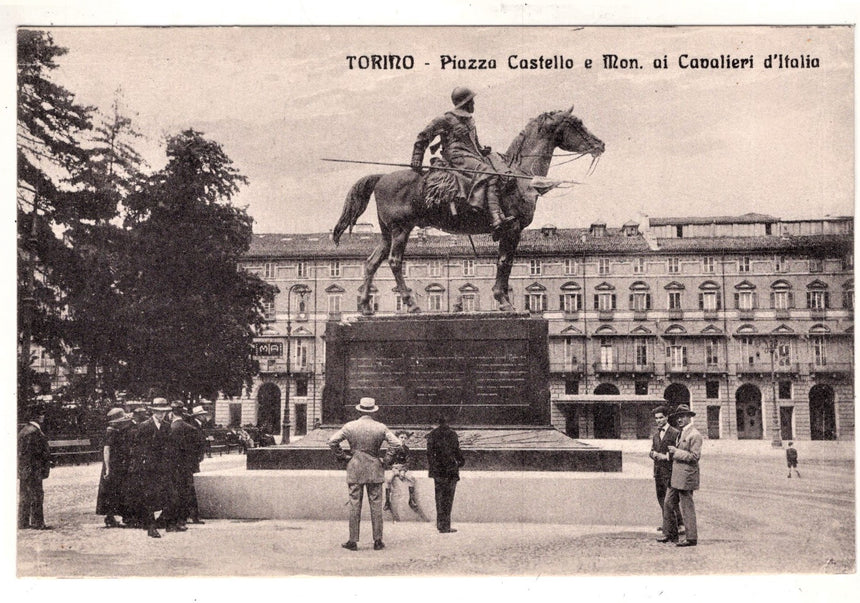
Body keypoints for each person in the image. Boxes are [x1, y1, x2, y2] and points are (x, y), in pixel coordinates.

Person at [411, 86, 516, 239]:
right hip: (456, 156)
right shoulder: (445, 119)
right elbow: (423, 137)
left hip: (471, 155)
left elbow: (474, 143)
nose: (474, 104)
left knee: (498, 168)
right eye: (471, 101)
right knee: (491, 175)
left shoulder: (470, 120)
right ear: (465, 102)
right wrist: (416, 159)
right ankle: (496, 219)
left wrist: (482, 150)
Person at [327, 397, 401, 551]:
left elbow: (332, 441)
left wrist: (344, 457)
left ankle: (353, 541)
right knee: (376, 505)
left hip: (355, 467)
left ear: (359, 410)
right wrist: (386, 459)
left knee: (354, 504)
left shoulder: (350, 426)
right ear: (373, 410)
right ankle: (378, 541)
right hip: (375, 467)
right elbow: (397, 444)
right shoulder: (381, 427)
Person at [658, 404, 703, 547]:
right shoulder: (681, 432)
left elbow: (695, 456)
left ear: (689, 417)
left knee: (686, 507)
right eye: (678, 417)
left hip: (686, 476)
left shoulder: (695, 435)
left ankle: (691, 538)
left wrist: (676, 452)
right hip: (676, 476)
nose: (680, 420)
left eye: (683, 416)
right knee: (667, 503)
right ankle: (670, 533)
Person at [129, 397, 172, 538]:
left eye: (164, 412)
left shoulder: (167, 425)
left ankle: (162, 522)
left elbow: (168, 446)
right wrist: (140, 463)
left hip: (163, 466)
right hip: (147, 467)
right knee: (148, 495)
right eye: (159, 412)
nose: (162, 415)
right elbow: (136, 447)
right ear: (153, 411)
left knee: (164, 494)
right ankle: (151, 526)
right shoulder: (144, 426)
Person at [96, 407, 135, 528]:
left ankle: (111, 517)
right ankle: (116, 517)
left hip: (116, 464)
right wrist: (107, 468)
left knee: (113, 490)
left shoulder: (115, 431)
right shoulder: (111, 432)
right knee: (113, 490)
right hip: (113, 465)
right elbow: (106, 450)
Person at [426, 414, 465, 534]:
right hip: (450, 470)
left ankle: (440, 524)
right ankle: (446, 525)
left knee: (439, 497)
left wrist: (433, 468)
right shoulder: (452, 434)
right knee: (448, 499)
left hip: (438, 471)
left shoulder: (432, 434)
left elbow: (429, 454)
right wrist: (461, 462)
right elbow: (456, 451)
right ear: (448, 422)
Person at [164, 402, 199, 532]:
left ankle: (171, 521)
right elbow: (196, 449)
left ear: (171, 413)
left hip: (171, 466)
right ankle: (181, 521)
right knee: (184, 493)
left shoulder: (168, 428)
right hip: (185, 466)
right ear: (183, 412)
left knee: (172, 493)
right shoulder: (190, 428)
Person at [648, 405, 683, 534]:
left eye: (661, 418)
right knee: (661, 498)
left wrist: (664, 457)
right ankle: (667, 524)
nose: (658, 420)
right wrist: (652, 454)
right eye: (656, 418)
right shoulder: (656, 435)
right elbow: (652, 450)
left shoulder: (675, 433)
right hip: (658, 472)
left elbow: (679, 452)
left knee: (671, 501)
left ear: (667, 417)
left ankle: (675, 526)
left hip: (670, 471)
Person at [17, 405, 53, 530]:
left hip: (25, 469)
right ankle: (38, 522)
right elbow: (36, 453)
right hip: (34, 469)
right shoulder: (34, 432)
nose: (43, 416)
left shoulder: (24, 430)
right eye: (41, 414)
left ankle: (23, 522)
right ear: (37, 416)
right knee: (36, 495)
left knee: (24, 496)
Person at [383, 430, 426, 521]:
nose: (403, 439)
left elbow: (408, 462)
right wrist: (394, 469)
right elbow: (387, 461)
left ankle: (411, 499)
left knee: (411, 479)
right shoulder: (391, 448)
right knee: (388, 479)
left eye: (405, 438)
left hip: (402, 468)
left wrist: (403, 470)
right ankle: (387, 501)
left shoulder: (406, 449)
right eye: (401, 437)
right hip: (394, 468)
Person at [187, 405, 209, 523]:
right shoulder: (193, 427)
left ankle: (193, 515)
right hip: (192, 461)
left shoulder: (198, 426)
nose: (205, 416)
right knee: (190, 486)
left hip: (195, 460)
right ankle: (193, 515)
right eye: (203, 415)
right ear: (199, 416)